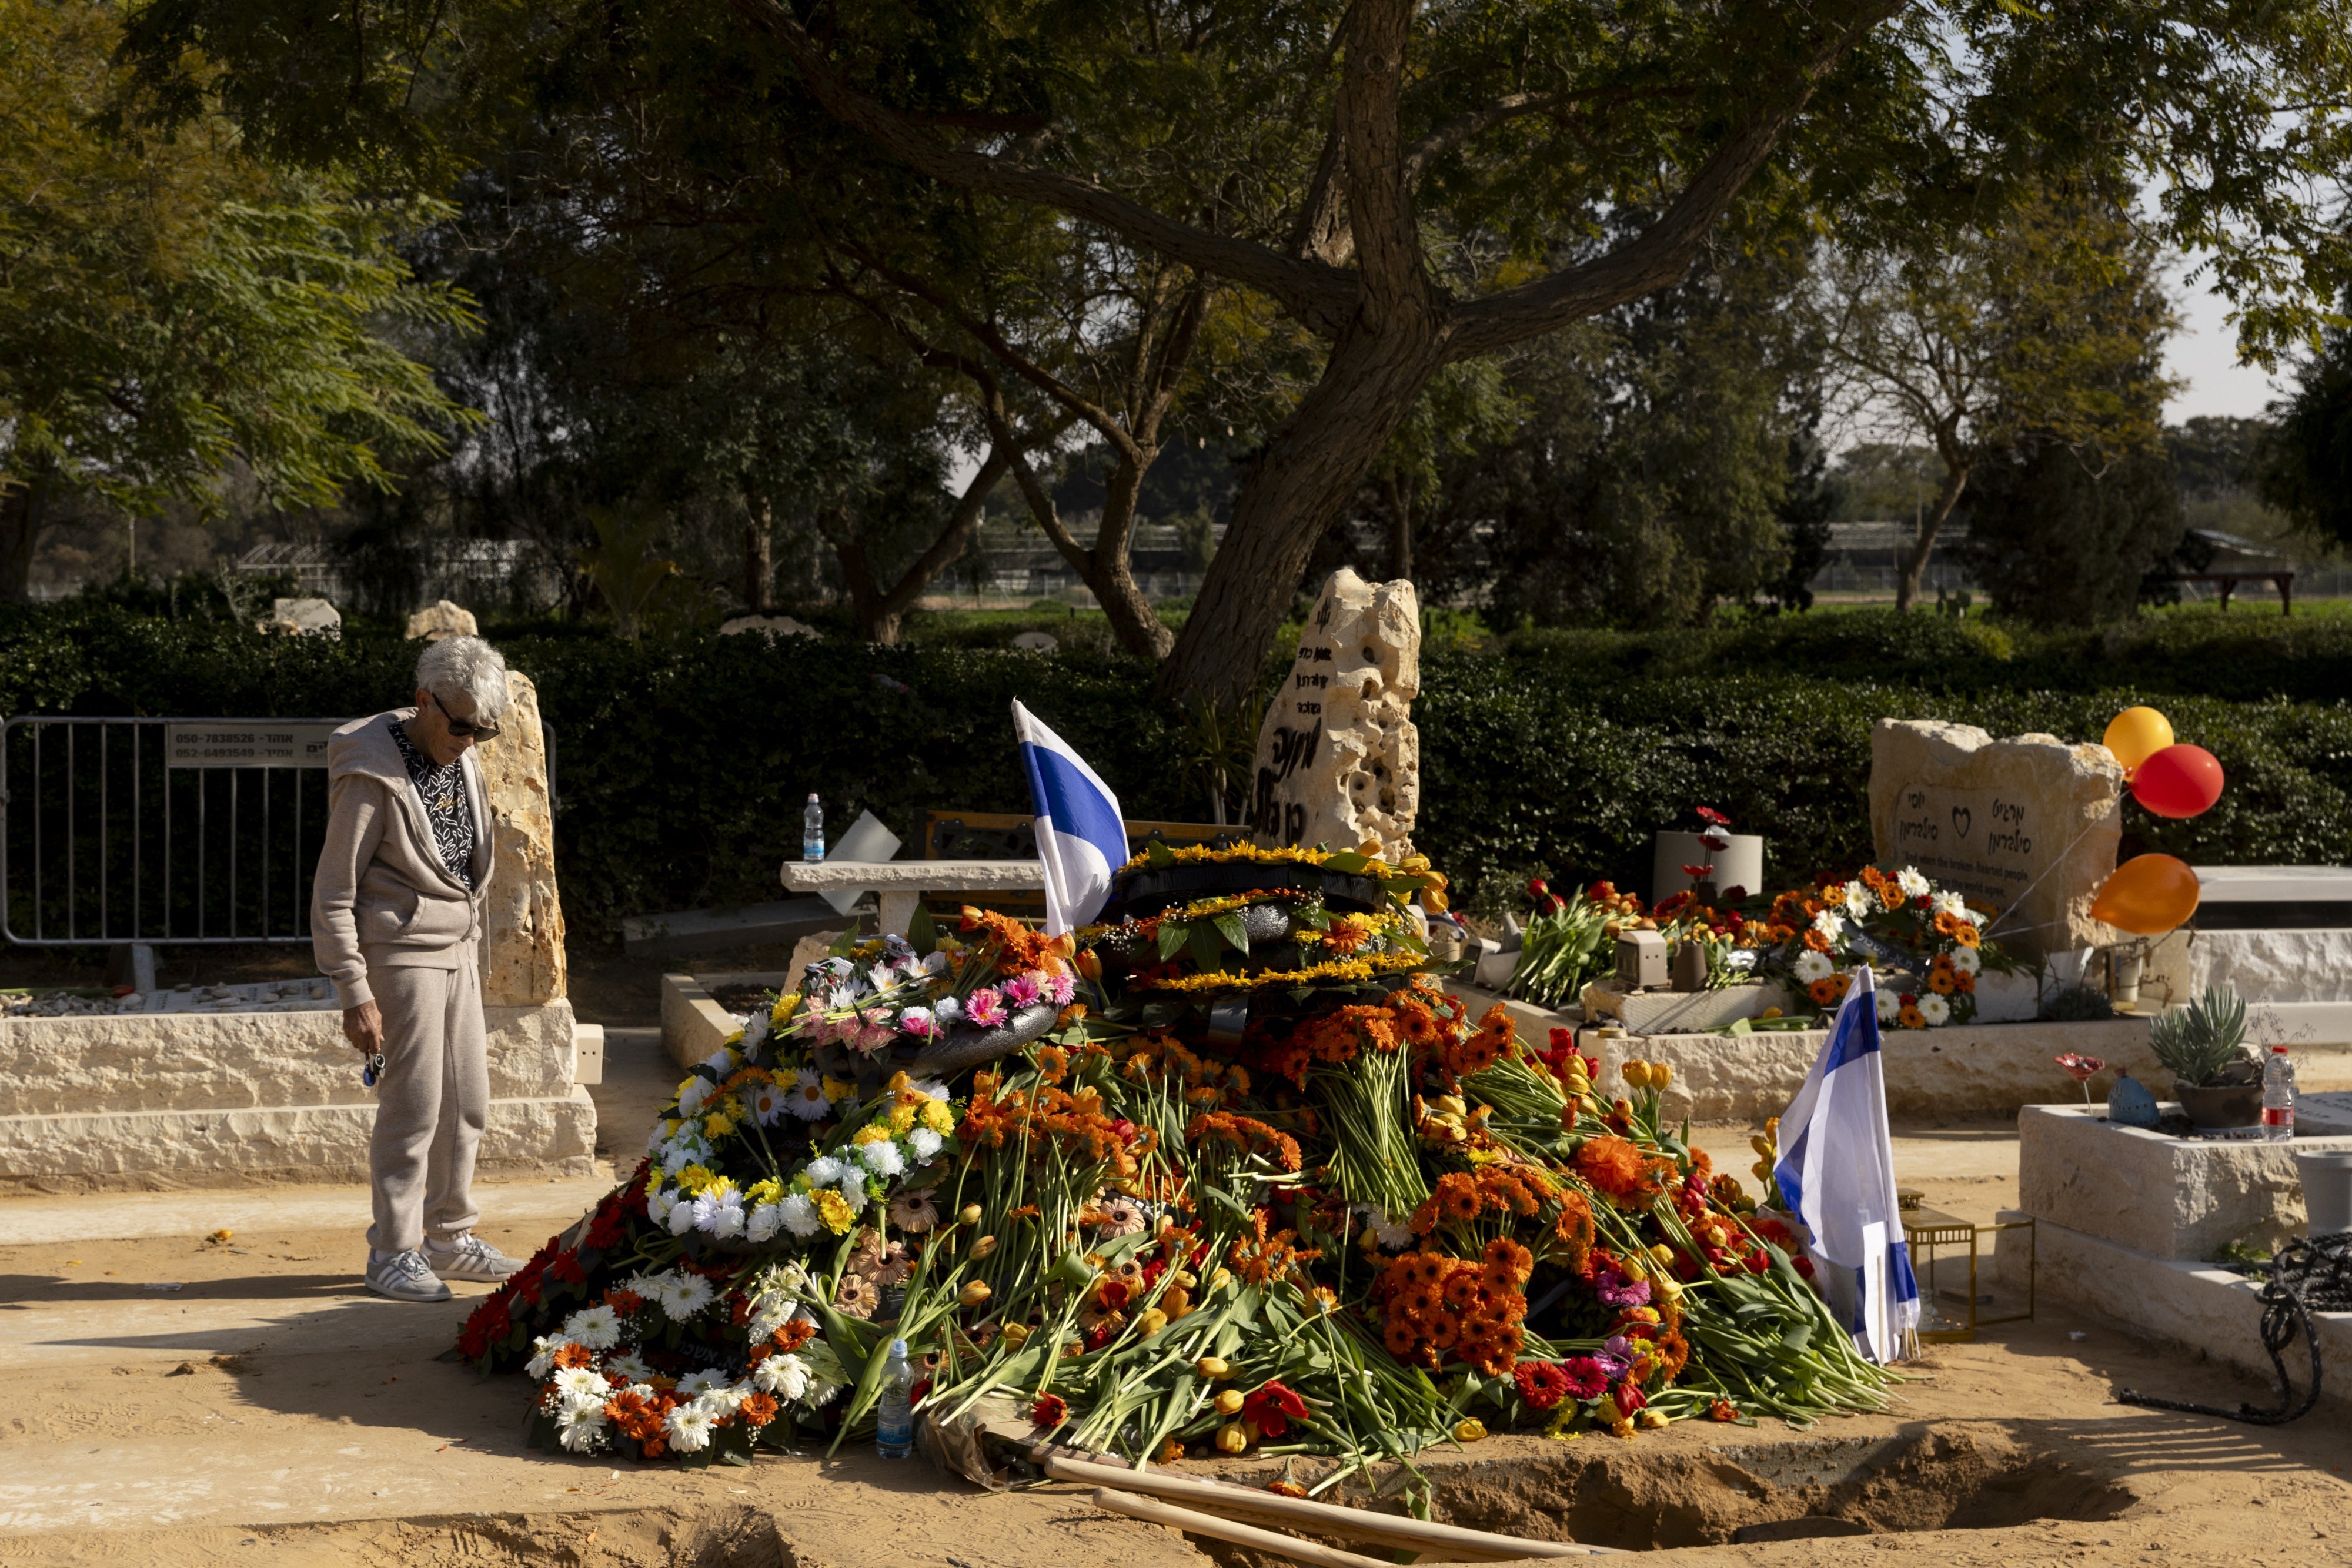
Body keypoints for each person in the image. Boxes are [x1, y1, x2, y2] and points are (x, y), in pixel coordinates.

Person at [313, 636, 525, 1302]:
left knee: (468, 1105)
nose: (470, 739)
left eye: (483, 729)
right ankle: (393, 1251)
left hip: (456, 950)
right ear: (422, 701)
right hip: (399, 955)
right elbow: (333, 894)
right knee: (414, 1108)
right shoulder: (372, 773)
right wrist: (354, 989)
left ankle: (450, 1238)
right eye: (459, 724)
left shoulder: (460, 752)